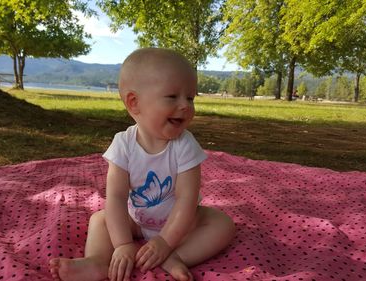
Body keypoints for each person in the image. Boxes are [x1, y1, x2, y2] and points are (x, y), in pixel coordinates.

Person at [49, 48, 236, 281]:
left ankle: (176, 257)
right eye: (172, 97)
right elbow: (116, 197)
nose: (186, 106)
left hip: (182, 224)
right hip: (136, 220)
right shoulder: (123, 144)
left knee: (222, 224)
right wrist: (123, 243)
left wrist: (165, 242)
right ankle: (98, 261)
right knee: (100, 219)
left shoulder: (185, 145)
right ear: (134, 102)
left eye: (190, 98)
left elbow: (187, 199)